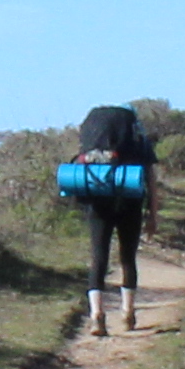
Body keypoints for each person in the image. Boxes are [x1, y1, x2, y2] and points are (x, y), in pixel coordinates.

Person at [59, 104, 154, 336]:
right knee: (127, 257)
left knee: (98, 257)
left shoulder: (93, 146)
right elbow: (151, 180)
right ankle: (127, 313)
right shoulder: (138, 142)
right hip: (129, 202)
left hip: (97, 201)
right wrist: (153, 213)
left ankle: (97, 315)